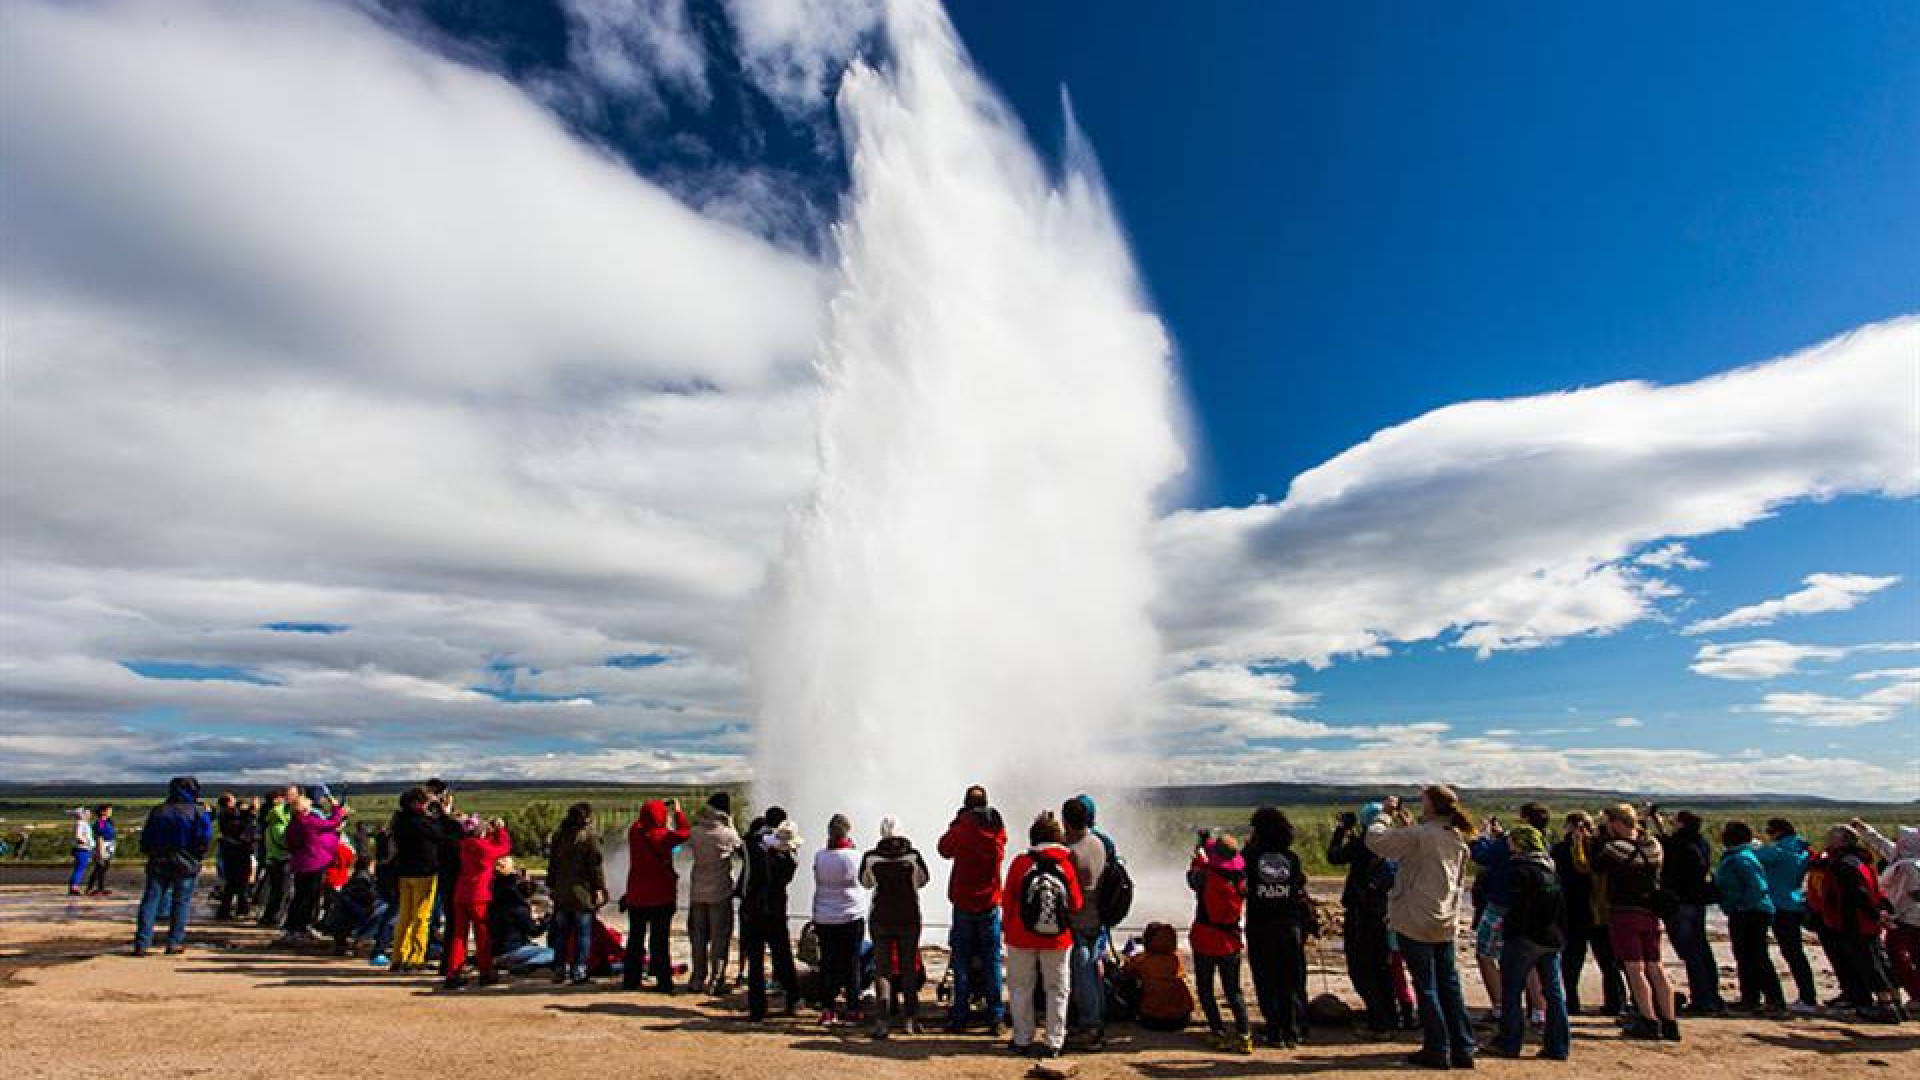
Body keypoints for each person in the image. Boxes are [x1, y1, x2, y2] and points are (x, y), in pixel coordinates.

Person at [1365, 786, 1476, 1071]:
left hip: (1416, 918)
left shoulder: (1421, 835)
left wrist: (1384, 816)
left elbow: (1377, 842)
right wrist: (1410, 827)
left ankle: (1437, 1048)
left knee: (1426, 986)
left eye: (1424, 800)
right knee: (1449, 984)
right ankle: (1463, 1047)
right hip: (1445, 919)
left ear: (1432, 805)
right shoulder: (1453, 835)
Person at [1587, 804, 1679, 1041]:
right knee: (1655, 967)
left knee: (1634, 968)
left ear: (1616, 823)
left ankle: (1649, 1020)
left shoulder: (1617, 848)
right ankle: (1669, 1021)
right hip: (1651, 911)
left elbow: (1595, 865)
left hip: (1624, 911)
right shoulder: (1653, 846)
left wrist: (1596, 840)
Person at [1004, 810, 1082, 1059]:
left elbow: (1007, 900)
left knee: (1020, 988)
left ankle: (1022, 1038)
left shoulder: (1020, 863)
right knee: (1057, 989)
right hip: (1058, 938)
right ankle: (1054, 1041)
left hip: (1021, 936)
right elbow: (1076, 904)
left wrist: (1008, 927)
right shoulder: (1066, 865)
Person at [1809, 825, 1904, 1022]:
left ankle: (1886, 1006)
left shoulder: (1843, 863)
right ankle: (1895, 1002)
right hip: (1866, 919)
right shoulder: (1862, 860)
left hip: (1853, 920)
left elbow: (1856, 893)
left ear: (1841, 841)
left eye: (1831, 837)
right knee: (1878, 958)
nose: (1827, 840)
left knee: (1868, 962)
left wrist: (1874, 914)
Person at [1491, 825, 1570, 1061]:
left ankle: (1510, 1042)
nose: (1508, 845)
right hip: (1551, 938)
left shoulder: (1521, 871)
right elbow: (1561, 907)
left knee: (1512, 991)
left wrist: (1510, 930)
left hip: (1525, 938)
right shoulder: (1550, 869)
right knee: (1554, 993)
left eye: (1512, 841)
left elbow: (1518, 907)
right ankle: (1558, 1046)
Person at [938, 784, 1008, 1034]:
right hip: (989, 903)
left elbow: (943, 849)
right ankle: (996, 1016)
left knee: (962, 961)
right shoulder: (997, 829)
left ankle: (960, 1016)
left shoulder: (963, 828)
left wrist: (957, 822)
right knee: (992, 962)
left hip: (964, 903)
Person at [1330, 802, 1401, 1036]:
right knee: (1382, 968)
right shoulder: (1394, 843)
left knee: (1362, 969)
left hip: (1362, 914)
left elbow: (1334, 857)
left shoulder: (1362, 844)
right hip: (1386, 911)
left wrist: (1341, 831)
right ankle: (1391, 1017)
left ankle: (1380, 1023)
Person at [1244, 806, 1311, 1048]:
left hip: (1261, 925)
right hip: (1290, 924)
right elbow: (1300, 885)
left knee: (1266, 978)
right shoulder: (1291, 858)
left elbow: (1239, 881)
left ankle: (1274, 1031)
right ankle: (1293, 1030)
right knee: (1290, 978)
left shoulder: (1250, 855)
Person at [860, 815, 931, 1039]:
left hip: (881, 917)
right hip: (908, 916)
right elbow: (923, 880)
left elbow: (865, 882)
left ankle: (883, 1020)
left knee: (883, 970)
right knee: (908, 967)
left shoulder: (871, 858)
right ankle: (910, 1018)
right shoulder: (913, 856)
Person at [1650, 809, 1725, 1016]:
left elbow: (1663, 844)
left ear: (1681, 824)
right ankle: (1711, 996)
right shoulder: (1700, 843)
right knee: (1701, 949)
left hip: (1680, 902)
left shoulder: (1677, 845)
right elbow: (1667, 839)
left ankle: (1702, 999)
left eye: (1674, 822)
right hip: (1697, 902)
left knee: (1690, 952)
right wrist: (1656, 821)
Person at [1553, 811, 1625, 1017]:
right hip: (1600, 912)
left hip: (1575, 911)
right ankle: (1615, 1002)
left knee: (1572, 960)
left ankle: (1571, 1002)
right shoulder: (1603, 847)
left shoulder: (1562, 850)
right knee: (1607, 959)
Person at [132, 776, 214, 956]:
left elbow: (146, 837)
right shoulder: (197, 812)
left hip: (159, 859)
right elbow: (204, 837)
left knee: (151, 901)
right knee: (181, 902)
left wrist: (150, 852)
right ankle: (174, 942)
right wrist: (198, 855)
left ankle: (142, 943)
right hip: (186, 860)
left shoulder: (159, 811)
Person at [1188, 831, 1254, 1055]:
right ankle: (1245, 1035)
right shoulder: (1241, 878)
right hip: (1231, 942)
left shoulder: (1204, 876)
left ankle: (1218, 1032)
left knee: (1205, 990)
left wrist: (1198, 857)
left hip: (1206, 939)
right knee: (1234, 991)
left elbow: (1191, 876)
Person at [622, 797, 691, 993]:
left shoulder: (635, 832)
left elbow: (640, 821)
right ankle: (663, 982)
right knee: (659, 941)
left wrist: (653, 807)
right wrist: (677, 812)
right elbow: (685, 832)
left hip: (636, 897)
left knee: (635, 939)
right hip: (662, 897)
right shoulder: (665, 837)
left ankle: (630, 980)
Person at [740, 807, 803, 1021]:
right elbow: (788, 875)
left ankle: (757, 1007)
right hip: (775, 907)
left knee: (756, 958)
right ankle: (792, 998)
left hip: (753, 907)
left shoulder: (751, 844)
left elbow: (748, 874)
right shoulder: (788, 850)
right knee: (782, 954)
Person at [1714, 821, 1784, 1012]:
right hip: (1744, 910)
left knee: (1757, 955)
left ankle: (1773, 998)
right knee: (1744, 955)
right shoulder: (1737, 856)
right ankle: (1750, 996)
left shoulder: (1743, 858)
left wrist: (1742, 905)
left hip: (1752, 913)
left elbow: (1758, 887)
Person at [1061, 795, 1112, 1048]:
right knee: (1094, 969)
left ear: (1067, 822)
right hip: (1097, 920)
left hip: (1079, 922)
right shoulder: (1098, 843)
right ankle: (1097, 1020)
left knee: (1083, 976)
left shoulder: (1072, 853)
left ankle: (1089, 1026)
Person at [1753, 818, 1818, 1014]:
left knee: (1792, 952)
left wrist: (1756, 845)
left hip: (1780, 903)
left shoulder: (1780, 850)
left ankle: (1807, 999)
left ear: (1778, 831)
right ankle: (1807, 995)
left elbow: (1756, 855)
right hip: (1795, 901)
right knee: (1795, 953)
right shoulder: (1802, 849)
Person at [444, 816, 512, 989]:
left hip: (461, 894)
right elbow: (504, 848)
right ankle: (486, 971)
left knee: (459, 936)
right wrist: (500, 831)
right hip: (479, 895)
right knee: (482, 936)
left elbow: (487, 844)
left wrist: (489, 833)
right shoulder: (484, 848)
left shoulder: (465, 845)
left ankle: (453, 971)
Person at [813, 813, 869, 1025]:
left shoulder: (820, 856)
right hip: (851, 916)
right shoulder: (855, 856)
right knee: (851, 963)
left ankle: (828, 1009)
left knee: (828, 963)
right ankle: (853, 1008)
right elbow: (862, 880)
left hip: (825, 917)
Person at [687, 792, 742, 997]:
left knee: (698, 937)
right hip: (720, 891)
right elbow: (741, 849)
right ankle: (716, 980)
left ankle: (696, 979)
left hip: (697, 891)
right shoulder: (727, 834)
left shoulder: (695, 831)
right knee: (719, 937)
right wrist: (731, 825)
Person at [1859, 823, 1920, 1007]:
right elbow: (1882, 844)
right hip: (1908, 915)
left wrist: (1891, 915)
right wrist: (1865, 830)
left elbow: (1908, 895)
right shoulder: (1906, 859)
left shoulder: (1909, 866)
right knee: (1915, 954)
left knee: (1896, 953)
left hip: (1905, 916)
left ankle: (1916, 994)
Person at [386, 787, 446, 973]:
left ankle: (399, 956)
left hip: (404, 873)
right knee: (421, 917)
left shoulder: (399, 821)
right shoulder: (421, 822)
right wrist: (442, 814)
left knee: (404, 916)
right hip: (425, 873)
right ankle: (416, 957)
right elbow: (440, 834)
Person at [546, 802, 607, 985]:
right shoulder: (589, 837)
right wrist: (600, 888)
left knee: (561, 934)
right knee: (583, 933)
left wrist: (552, 885)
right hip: (582, 893)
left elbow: (552, 864)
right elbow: (595, 867)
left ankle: (559, 969)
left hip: (562, 892)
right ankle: (579, 970)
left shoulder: (559, 836)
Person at [282, 790, 350, 944]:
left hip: (300, 863)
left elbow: (290, 845)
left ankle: (292, 928)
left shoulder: (293, 824)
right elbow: (332, 823)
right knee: (310, 897)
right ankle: (301, 928)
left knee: (299, 896)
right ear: (304, 808)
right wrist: (337, 809)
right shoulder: (309, 822)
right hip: (314, 863)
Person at [1469, 814, 1517, 1025]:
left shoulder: (1502, 847)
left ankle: (1500, 1006)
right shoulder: (1539, 848)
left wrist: (1482, 836)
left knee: (1485, 955)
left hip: (1499, 907)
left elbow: (1480, 856)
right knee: (1527, 961)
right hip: (1523, 911)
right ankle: (1539, 1011)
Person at [1124, 921, 1197, 1031]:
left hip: (1154, 1019)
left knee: (1131, 983)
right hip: (1182, 1018)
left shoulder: (1142, 960)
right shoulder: (1177, 958)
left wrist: (1128, 957)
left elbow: (1126, 971)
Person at [490, 863, 554, 973]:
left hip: (494, 950)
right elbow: (533, 931)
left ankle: (504, 962)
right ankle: (528, 965)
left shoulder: (493, 902)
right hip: (512, 949)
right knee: (552, 952)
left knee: (533, 947)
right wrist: (545, 922)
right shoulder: (518, 907)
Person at [214, 794, 257, 921]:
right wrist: (252, 812)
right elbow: (242, 824)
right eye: (233, 801)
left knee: (232, 883)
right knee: (242, 882)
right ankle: (241, 910)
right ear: (228, 803)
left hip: (230, 851)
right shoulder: (228, 815)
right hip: (238, 851)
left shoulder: (224, 815)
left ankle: (226, 909)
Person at [255, 788, 293, 927]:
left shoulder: (268, 822)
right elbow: (286, 843)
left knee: (275, 890)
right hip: (282, 859)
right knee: (282, 891)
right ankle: (275, 918)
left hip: (272, 858)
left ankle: (269, 917)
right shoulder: (279, 826)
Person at [84, 805, 116, 896]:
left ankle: (100, 888)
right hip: (102, 846)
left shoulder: (108, 822)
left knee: (104, 867)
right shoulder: (101, 822)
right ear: (103, 812)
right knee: (99, 867)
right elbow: (99, 836)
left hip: (109, 846)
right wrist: (100, 850)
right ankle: (91, 888)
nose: (110, 812)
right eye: (109, 810)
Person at [66, 807, 94, 896]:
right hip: (82, 848)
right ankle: (74, 887)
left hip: (84, 848)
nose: (89, 815)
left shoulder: (84, 823)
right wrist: (87, 842)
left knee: (80, 868)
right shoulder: (81, 823)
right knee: (80, 868)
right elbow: (78, 835)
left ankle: (75, 886)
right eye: (87, 813)